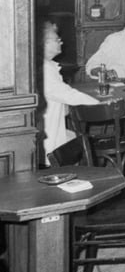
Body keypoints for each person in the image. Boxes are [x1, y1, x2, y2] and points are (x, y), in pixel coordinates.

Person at [39, 21, 99, 165]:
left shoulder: (47, 66)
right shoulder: (45, 70)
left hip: (51, 129)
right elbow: (68, 95)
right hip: (47, 137)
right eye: (56, 39)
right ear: (43, 44)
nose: (61, 41)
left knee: (76, 138)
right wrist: (99, 102)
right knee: (78, 143)